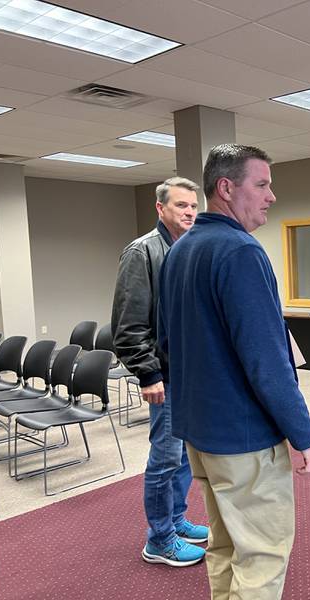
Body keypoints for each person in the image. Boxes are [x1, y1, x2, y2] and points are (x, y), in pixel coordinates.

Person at [158, 144, 310, 599]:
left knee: (226, 545)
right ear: (227, 188)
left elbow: (167, 344)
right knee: (263, 555)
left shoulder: (180, 250)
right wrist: (304, 434)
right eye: (262, 184)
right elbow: (267, 362)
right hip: (244, 439)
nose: (272, 195)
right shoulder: (241, 253)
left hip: (200, 434)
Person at [111, 176, 207, 567]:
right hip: (164, 378)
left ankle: (177, 519)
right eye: (180, 205)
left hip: (189, 378)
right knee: (165, 458)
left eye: (193, 206)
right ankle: (160, 539)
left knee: (184, 456)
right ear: (160, 208)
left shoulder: (189, 249)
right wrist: (149, 374)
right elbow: (128, 326)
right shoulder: (142, 253)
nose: (188, 212)